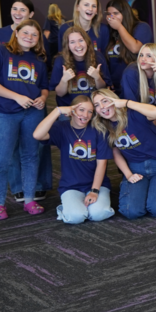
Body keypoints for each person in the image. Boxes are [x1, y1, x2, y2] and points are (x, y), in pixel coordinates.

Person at [0, 19, 49, 220]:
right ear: (16, 33)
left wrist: (43, 98)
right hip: (6, 112)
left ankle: (29, 199)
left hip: (32, 113)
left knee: (30, 156)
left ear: (38, 40)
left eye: (34, 35)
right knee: (1, 159)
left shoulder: (38, 59)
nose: (29, 37)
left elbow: (43, 86)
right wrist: (16, 96)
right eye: (25, 32)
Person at [92, 89, 156, 219]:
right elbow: (116, 153)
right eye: (97, 105)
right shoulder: (103, 126)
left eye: (105, 101)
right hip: (135, 168)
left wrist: (126, 103)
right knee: (130, 211)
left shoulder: (132, 114)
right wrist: (128, 174)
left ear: (114, 100)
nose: (102, 107)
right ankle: (149, 190)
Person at [32, 96, 115, 224]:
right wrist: (57, 111)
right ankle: (70, 208)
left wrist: (94, 191)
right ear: (72, 111)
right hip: (71, 185)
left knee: (99, 214)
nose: (85, 115)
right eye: (81, 110)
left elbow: (102, 164)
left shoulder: (99, 130)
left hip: (97, 184)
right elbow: (37, 134)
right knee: (76, 217)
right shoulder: (62, 128)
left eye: (90, 111)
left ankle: (87, 206)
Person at [51, 25, 110, 107]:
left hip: (93, 108)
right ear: (67, 46)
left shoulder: (98, 57)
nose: (78, 45)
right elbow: (59, 94)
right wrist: (64, 80)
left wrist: (97, 77)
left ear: (87, 41)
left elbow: (102, 89)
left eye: (81, 40)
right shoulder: (60, 60)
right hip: (69, 108)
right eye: (72, 42)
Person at [119, 43, 156, 128]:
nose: (143, 59)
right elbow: (131, 106)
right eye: (141, 55)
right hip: (133, 116)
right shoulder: (131, 72)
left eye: (148, 56)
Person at [104, 0, 153, 90]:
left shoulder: (142, 27)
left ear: (125, 13)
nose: (112, 17)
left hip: (135, 83)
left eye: (116, 13)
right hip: (114, 86)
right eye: (109, 14)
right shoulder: (108, 31)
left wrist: (119, 27)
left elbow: (135, 48)